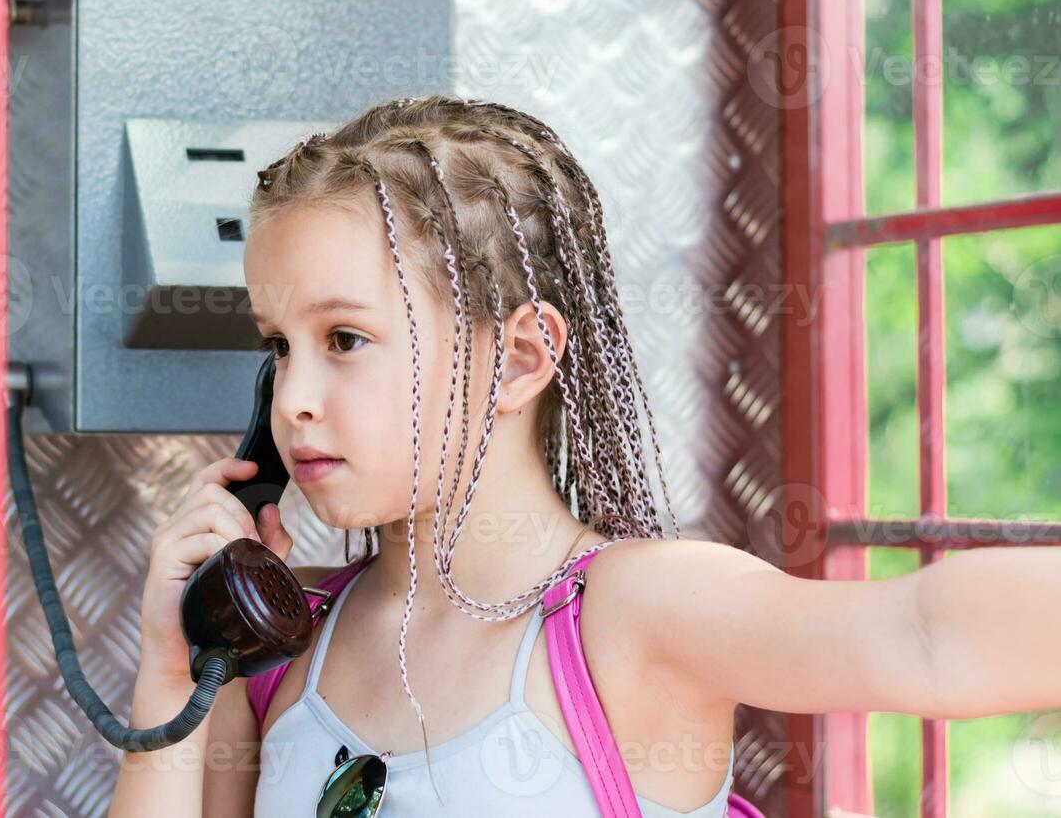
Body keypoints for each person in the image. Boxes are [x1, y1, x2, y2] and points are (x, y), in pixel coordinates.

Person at [107, 95, 1061, 817]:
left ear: (521, 357)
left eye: (345, 340)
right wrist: (169, 665)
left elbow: (923, 636)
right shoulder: (280, 648)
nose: (295, 397)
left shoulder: (631, 612)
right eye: (278, 347)